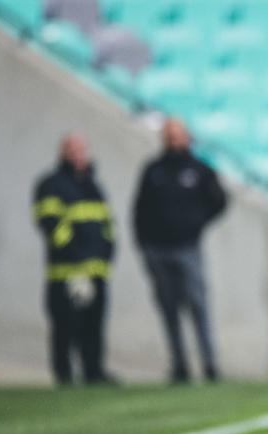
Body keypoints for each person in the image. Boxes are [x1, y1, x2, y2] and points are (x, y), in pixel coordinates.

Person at [134, 118, 227, 383]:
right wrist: (143, 243)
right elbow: (139, 209)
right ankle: (179, 365)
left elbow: (219, 201)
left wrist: (196, 224)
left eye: (178, 135)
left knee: (198, 305)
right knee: (168, 308)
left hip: (187, 248)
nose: (174, 140)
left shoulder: (199, 170)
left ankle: (209, 364)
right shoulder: (153, 171)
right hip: (158, 250)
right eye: (169, 135)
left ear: (187, 138)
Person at [33, 134, 116, 386]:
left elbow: (106, 225)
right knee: (64, 325)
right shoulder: (50, 184)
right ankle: (64, 375)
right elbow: (51, 223)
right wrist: (75, 256)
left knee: (94, 325)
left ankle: (94, 371)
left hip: (96, 270)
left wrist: (106, 253)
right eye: (72, 149)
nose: (78, 154)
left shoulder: (93, 185)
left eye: (81, 149)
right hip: (65, 271)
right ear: (62, 152)